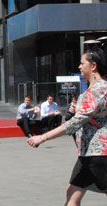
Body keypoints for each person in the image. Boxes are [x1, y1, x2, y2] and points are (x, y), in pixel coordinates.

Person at [27, 48, 107, 205]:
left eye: (82, 63)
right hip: (92, 153)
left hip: (96, 154)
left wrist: (42, 137)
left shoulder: (94, 92)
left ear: (93, 66)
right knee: (72, 195)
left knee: (72, 198)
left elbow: (73, 124)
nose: (79, 67)